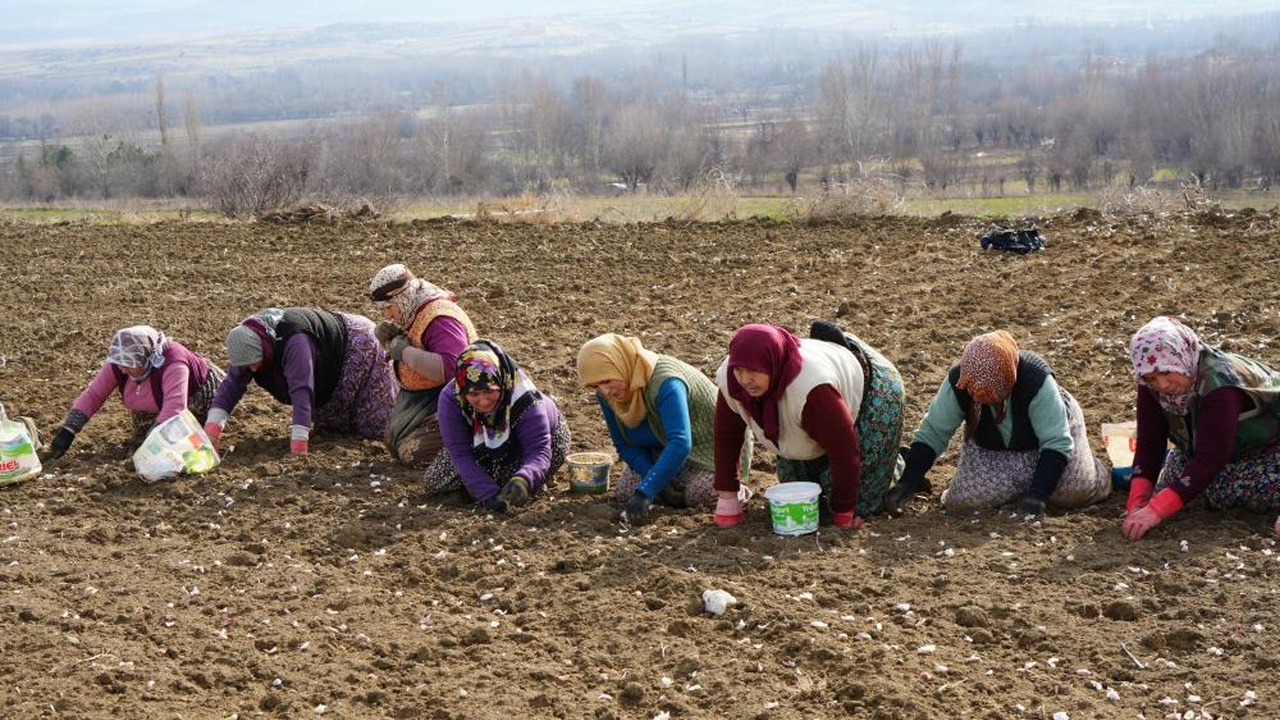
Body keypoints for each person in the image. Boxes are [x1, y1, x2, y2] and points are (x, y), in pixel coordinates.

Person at [883, 330, 1109, 518]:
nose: (979, 397)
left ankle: (1101, 474)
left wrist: (1038, 495)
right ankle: (1021, 487)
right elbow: (934, 432)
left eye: (989, 392)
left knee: (1074, 493)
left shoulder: (1035, 381)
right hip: (996, 447)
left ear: (1007, 378)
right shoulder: (961, 382)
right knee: (964, 504)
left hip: (1047, 445)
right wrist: (909, 481)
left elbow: (1056, 442)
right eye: (975, 391)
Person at [712, 321, 905, 528]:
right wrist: (728, 498)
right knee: (798, 481)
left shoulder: (813, 391)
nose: (745, 379)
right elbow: (727, 437)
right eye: (739, 370)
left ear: (771, 363)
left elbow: (845, 450)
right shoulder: (731, 381)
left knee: (861, 496)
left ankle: (899, 464)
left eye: (753, 371)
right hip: (811, 408)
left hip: (873, 389)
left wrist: (844, 512)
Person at [1122, 316, 1280, 540]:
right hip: (1225, 449)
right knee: (1178, 472)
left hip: (1268, 446)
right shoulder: (1151, 384)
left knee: (1221, 487)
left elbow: (1210, 458)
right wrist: (1137, 502)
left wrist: (1156, 510)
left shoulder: (1220, 383)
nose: (1162, 385)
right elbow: (1150, 442)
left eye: (1166, 372)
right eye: (1151, 377)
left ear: (1180, 356)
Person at [576, 333, 751, 523]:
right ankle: (672, 486)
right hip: (662, 447)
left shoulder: (666, 382)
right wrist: (656, 482)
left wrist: (647, 490)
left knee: (700, 494)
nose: (605, 391)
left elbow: (680, 442)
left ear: (620, 364)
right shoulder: (607, 397)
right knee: (625, 491)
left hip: (711, 451)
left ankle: (736, 488)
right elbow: (624, 444)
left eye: (608, 381)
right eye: (597, 385)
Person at [204, 307, 396, 454]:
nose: (253, 370)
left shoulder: (295, 341)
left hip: (358, 348)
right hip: (328, 372)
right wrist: (211, 432)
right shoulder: (245, 346)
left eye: (256, 363)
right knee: (335, 429)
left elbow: (302, 390)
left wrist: (298, 448)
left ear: (264, 348)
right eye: (248, 366)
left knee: (375, 425)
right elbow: (231, 386)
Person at [422, 339, 569, 513]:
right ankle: (484, 484)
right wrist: (489, 496)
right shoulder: (451, 399)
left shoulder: (526, 400)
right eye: (474, 394)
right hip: (480, 443)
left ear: (500, 381)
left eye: (489, 391)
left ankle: (531, 479)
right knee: (434, 480)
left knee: (515, 484)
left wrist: (524, 478)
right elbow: (460, 454)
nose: (483, 401)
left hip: (528, 443)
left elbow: (539, 451)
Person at [45, 325, 225, 460]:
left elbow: (174, 407)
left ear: (146, 358)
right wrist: (68, 431)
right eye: (121, 365)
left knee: (174, 443)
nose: (123, 370)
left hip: (200, 394)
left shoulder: (174, 362)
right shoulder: (121, 361)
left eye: (130, 365)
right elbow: (94, 394)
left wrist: (153, 446)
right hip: (156, 397)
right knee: (142, 438)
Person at [368, 263, 477, 468]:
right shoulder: (414, 310)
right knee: (394, 441)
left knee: (414, 451)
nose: (388, 316)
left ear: (403, 297)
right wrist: (393, 339)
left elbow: (453, 368)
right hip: (427, 397)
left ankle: (474, 450)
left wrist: (404, 352)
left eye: (389, 307)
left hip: (457, 398)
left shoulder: (440, 319)